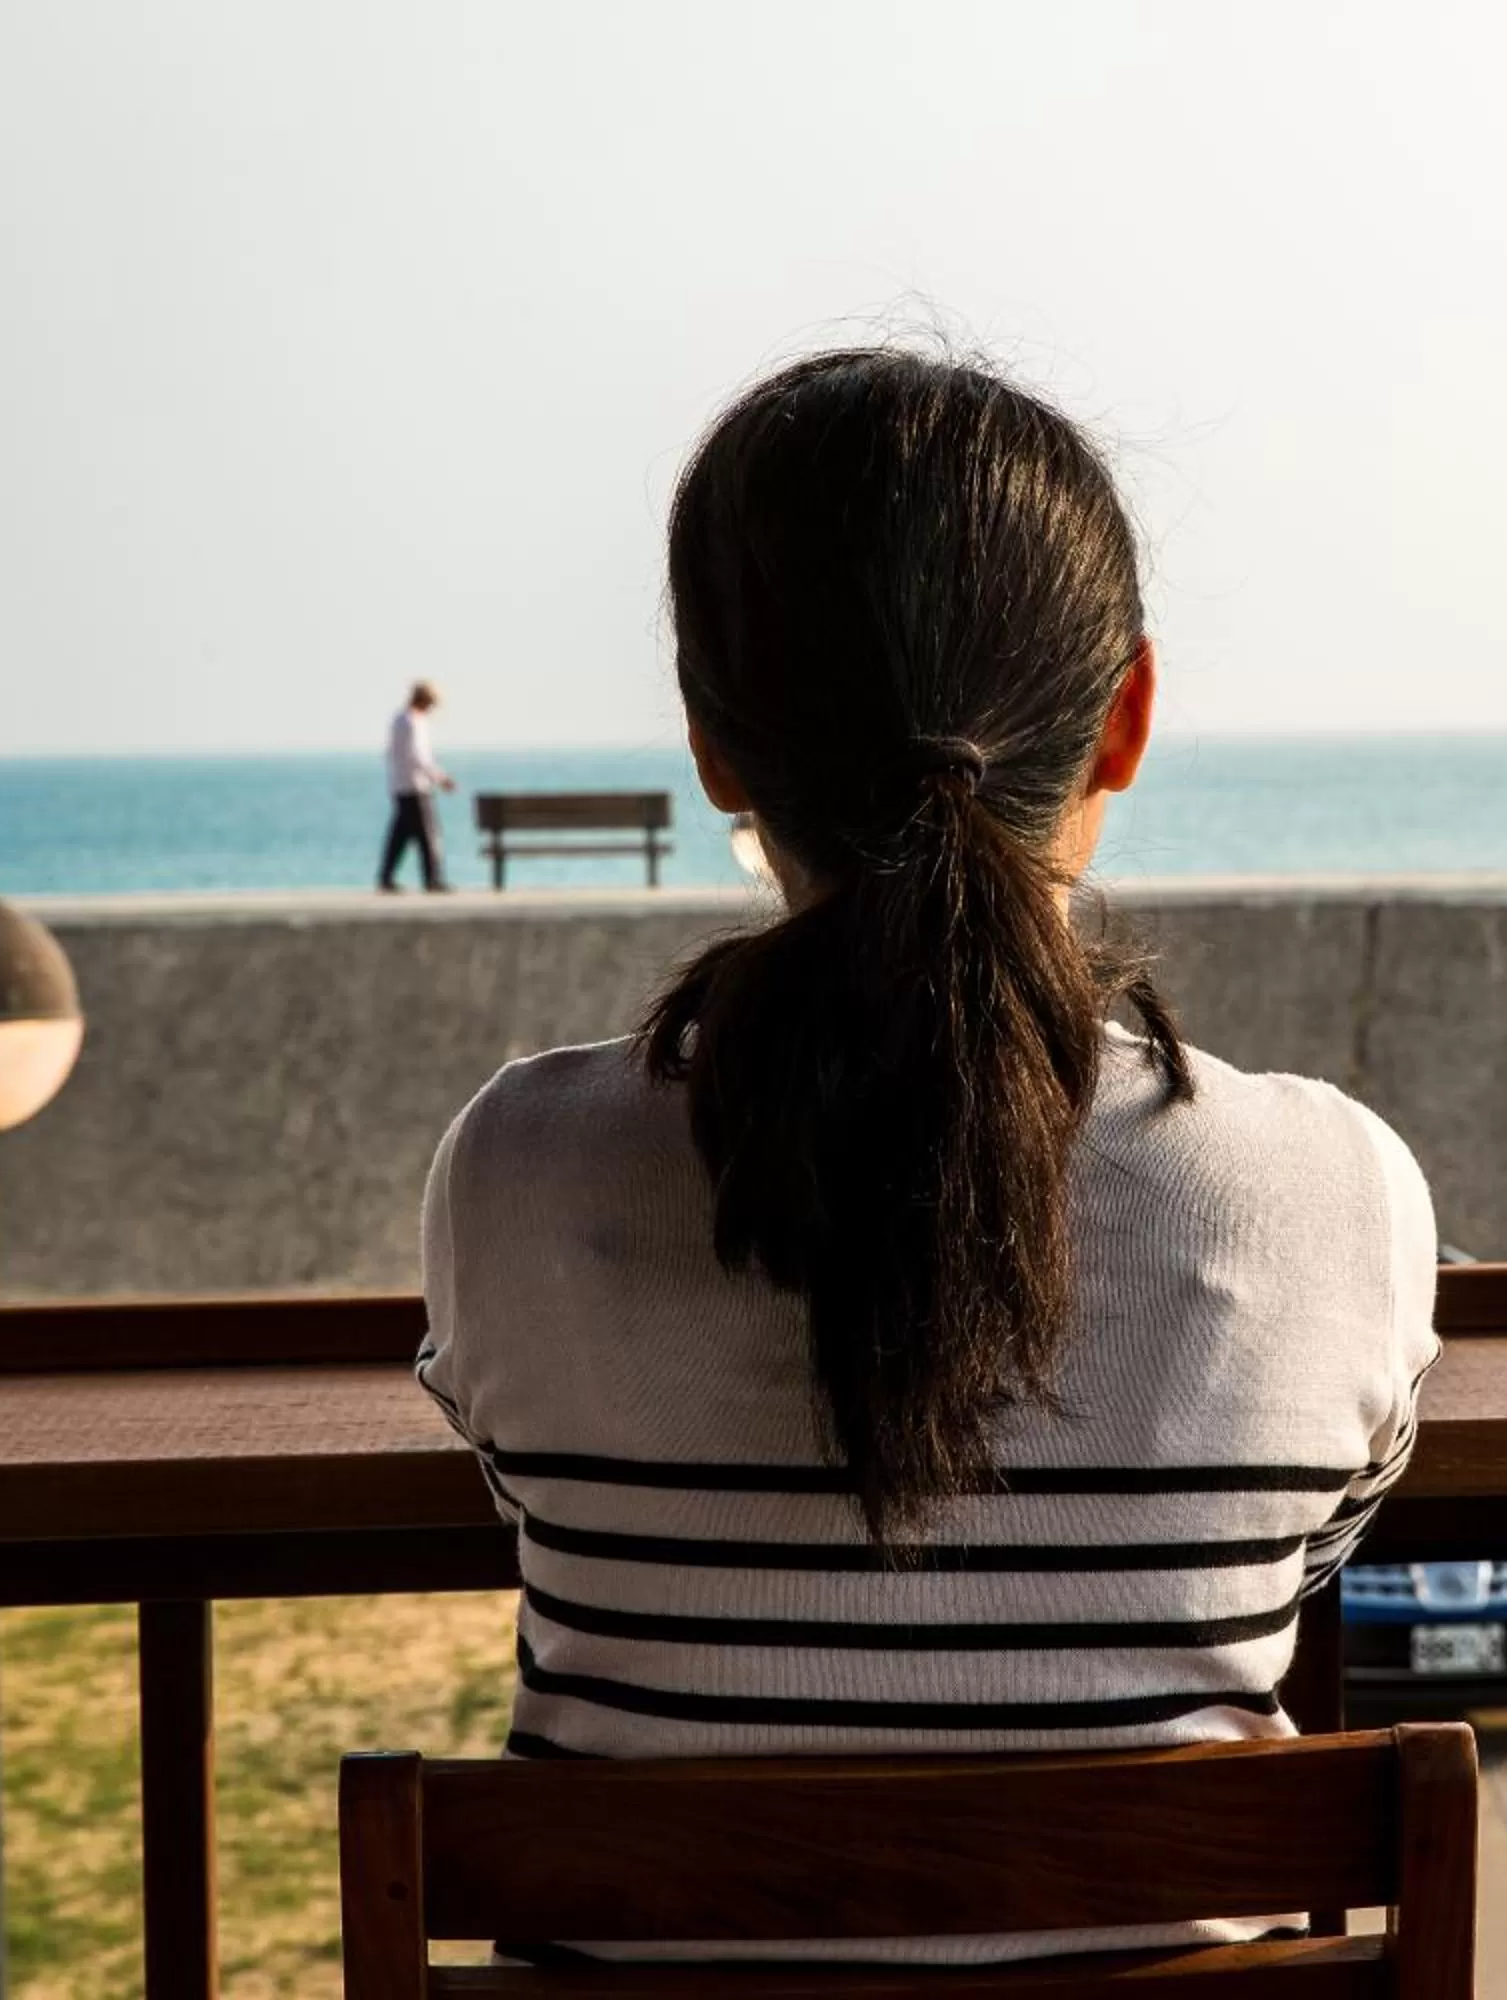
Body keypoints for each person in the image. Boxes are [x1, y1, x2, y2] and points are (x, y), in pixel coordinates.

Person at [414, 351, 1440, 1961]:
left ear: (716, 749)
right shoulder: (1335, 1196)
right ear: (1128, 722)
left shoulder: (517, 1176)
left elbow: (518, 1485)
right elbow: (1307, 1555)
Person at [379, 681, 456, 891]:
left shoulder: (398, 720)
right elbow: (419, 757)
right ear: (425, 702)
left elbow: (391, 753)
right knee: (428, 835)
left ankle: (386, 877)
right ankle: (432, 879)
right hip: (416, 787)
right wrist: (440, 778)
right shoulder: (414, 722)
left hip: (400, 785)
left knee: (400, 836)